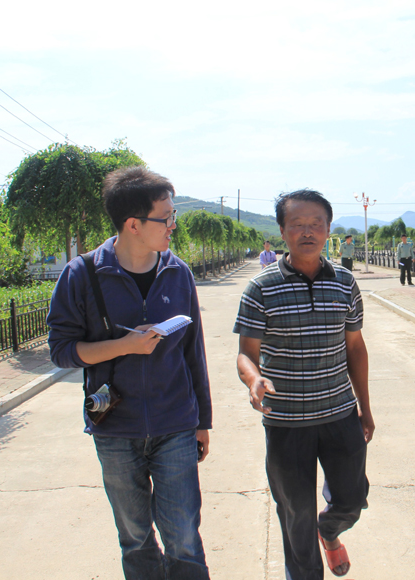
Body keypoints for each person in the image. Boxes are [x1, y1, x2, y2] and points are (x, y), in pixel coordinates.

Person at [47, 166, 212, 580]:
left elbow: (195, 354)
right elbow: (62, 351)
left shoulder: (178, 272)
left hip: (175, 423)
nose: (173, 225)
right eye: (166, 218)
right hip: (115, 429)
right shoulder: (82, 275)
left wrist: (203, 421)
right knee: (136, 538)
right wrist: (126, 345)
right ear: (133, 224)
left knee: (183, 538)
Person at [234, 189, 375, 580]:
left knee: (352, 500)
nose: (307, 231)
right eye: (297, 224)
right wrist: (253, 378)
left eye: (316, 224)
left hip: (339, 415)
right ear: (282, 231)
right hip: (286, 424)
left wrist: (364, 407)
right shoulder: (260, 288)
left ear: (329, 229)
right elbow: (245, 353)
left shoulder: (346, 283)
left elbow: (355, 348)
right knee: (295, 515)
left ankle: (329, 531)